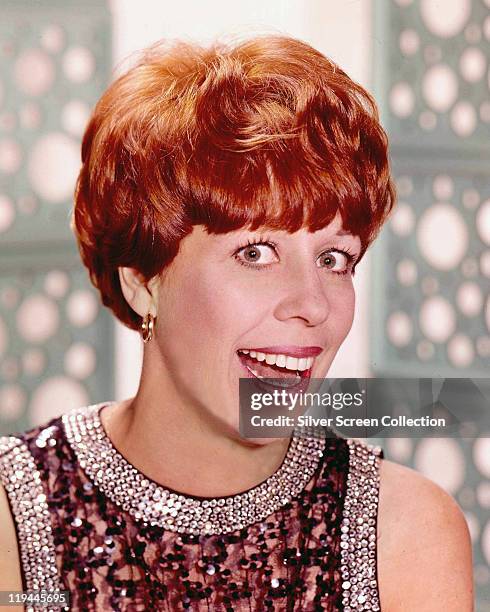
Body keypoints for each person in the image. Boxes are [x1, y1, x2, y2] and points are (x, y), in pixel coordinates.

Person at [0, 35, 473, 611]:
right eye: (256, 253)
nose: (314, 305)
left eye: (334, 258)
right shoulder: (13, 518)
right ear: (143, 282)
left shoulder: (406, 533)